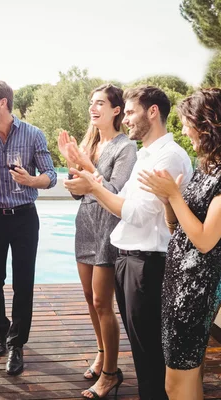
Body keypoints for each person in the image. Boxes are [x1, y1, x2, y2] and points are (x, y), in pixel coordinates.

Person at [64, 86, 193, 400]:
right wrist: (91, 181)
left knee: (150, 358)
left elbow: (135, 213)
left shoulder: (169, 157)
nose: (128, 119)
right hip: (129, 260)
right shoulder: (148, 154)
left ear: (152, 112)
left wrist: (92, 186)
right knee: (142, 355)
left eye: (132, 111)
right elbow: (122, 199)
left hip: (147, 263)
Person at [138, 88, 221, 400]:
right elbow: (176, 228)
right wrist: (167, 201)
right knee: (188, 377)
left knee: (175, 384)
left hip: (195, 291)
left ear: (208, 124)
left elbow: (206, 240)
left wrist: (174, 195)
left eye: (187, 123)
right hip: (178, 283)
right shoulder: (209, 165)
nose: (183, 129)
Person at [0, 80, 57, 376]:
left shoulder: (33, 134)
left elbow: (50, 175)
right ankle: (0, 330)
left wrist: (31, 181)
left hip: (24, 217)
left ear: (2, 103)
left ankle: (17, 343)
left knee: (24, 282)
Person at [58, 84, 136, 398]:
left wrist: (85, 165)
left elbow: (115, 190)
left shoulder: (126, 147)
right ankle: (102, 353)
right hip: (86, 223)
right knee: (91, 300)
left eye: (100, 103)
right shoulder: (90, 143)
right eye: (91, 103)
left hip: (110, 228)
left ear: (117, 110)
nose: (93, 108)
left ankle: (110, 374)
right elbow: (80, 191)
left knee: (104, 302)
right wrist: (72, 168)